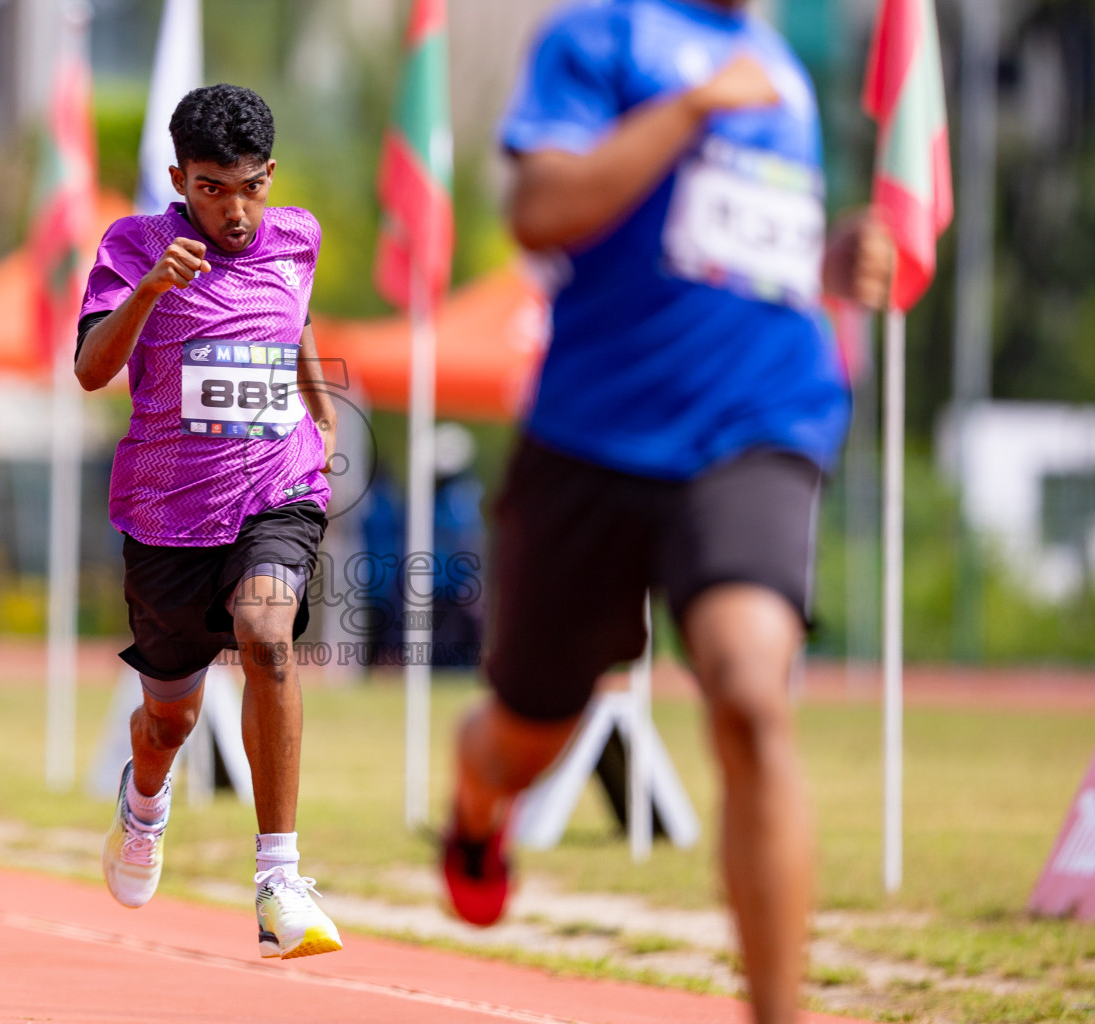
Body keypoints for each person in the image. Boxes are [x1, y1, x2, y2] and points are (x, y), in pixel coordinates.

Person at [439, 3, 893, 1022]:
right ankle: (475, 802)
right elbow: (542, 208)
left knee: (750, 696)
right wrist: (688, 107)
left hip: (757, 422)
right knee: (524, 737)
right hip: (593, 436)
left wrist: (838, 262)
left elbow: (730, 257)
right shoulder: (599, 39)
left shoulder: (780, 69)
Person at [76, 83, 342, 960]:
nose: (233, 210)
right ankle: (145, 805)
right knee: (169, 722)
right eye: (211, 188)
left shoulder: (298, 234)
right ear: (179, 179)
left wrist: (317, 403)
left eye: (248, 187)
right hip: (166, 519)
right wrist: (150, 288)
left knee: (267, 635)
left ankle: (279, 879)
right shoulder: (133, 246)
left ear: (269, 175)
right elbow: (89, 368)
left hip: (275, 490)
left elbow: (291, 312)